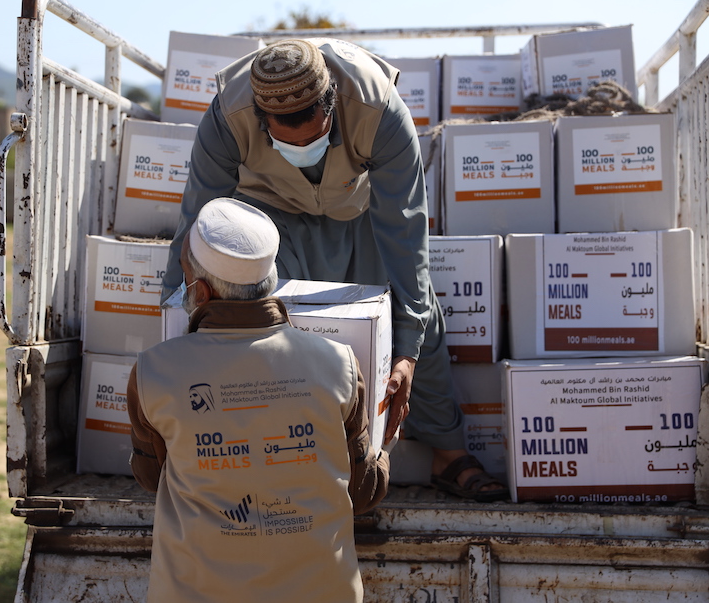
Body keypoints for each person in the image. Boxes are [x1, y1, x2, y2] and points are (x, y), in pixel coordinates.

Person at [162, 38, 506, 501]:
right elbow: (197, 225)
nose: (303, 148)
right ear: (262, 121)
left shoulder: (378, 108)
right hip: (269, 218)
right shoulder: (228, 116)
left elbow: (406, 233)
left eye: (314, 137)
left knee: (420, 320)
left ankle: (448, 453)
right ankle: (281, 461)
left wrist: (406, 353)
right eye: (287, 142)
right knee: (264, 329)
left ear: (333, 105)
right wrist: (177, 324)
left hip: (361, 213)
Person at [130, 197, 390, 603]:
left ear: (201, 291)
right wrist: (386, 446)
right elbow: (362, 491)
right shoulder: (339, 363)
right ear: (271, 280)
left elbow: (150, 476)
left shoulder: (153, 372)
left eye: (184, 274)